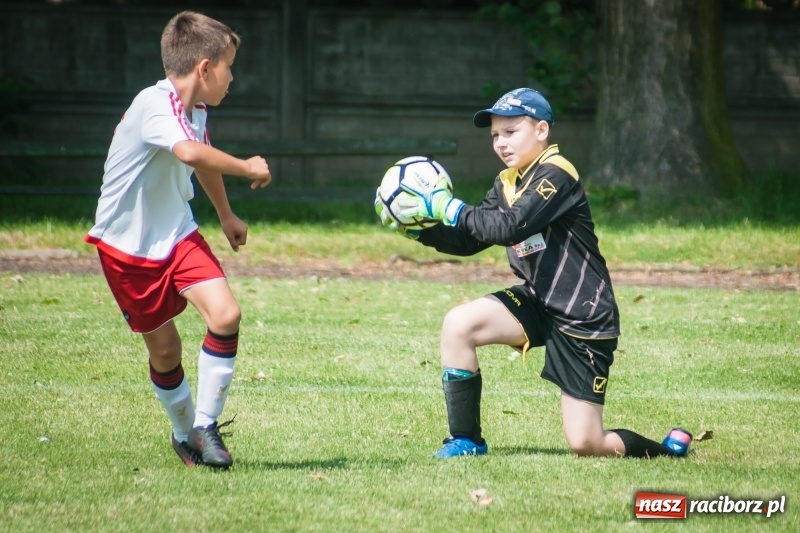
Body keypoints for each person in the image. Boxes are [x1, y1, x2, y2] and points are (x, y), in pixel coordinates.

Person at [375, 88, 692, 459]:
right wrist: (419, 230)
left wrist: (449, 206)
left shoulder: (556, 174)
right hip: (538, 301)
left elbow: (510, 227)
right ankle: (466, 440)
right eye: (495, 135)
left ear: (541, 130)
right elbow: (472, 238)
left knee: (586, 443)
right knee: (459, 324)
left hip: (583, 314)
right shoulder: (508, 181)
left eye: (511, 132)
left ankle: (668, 451)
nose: (500, 143)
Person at [84, 11, 271, 468]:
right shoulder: (155, 102)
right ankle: (185, 433)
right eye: (229, 66)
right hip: (125, 249)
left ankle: (206, 425)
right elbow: (188, 151)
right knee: (166, 351)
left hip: (178, 235)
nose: (233, 77)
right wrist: (247, 167)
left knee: (226, 314)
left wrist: (226, 214)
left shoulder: (195, 110)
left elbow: (199, 159)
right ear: (205, 68)